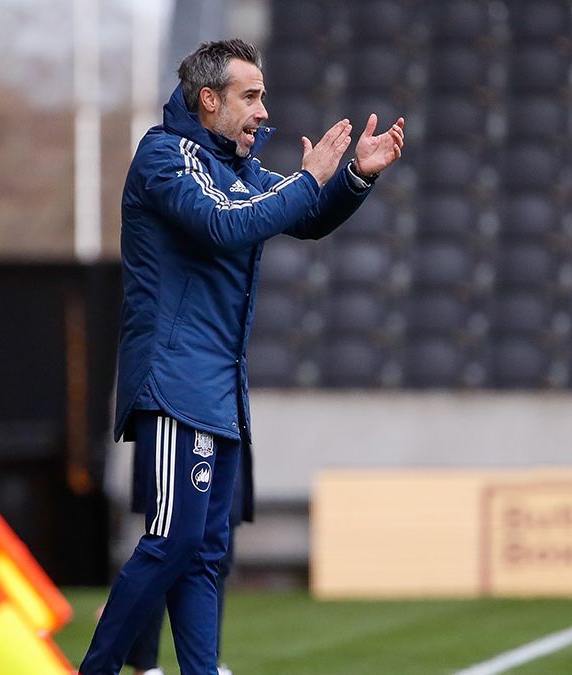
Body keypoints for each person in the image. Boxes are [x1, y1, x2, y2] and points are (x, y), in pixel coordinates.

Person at [78, 38, 405, 675]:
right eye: (249, 96)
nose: (263, 110)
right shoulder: (166, 156)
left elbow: (300, 215)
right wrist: (310, 180)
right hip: (174, 379)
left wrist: (354, 178)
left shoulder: (236, 168)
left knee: (204, 550)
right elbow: (227, 223)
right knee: (171, 544)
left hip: (218, 382)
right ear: (208, 100)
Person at [121, 442, 250, 675]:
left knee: (215, 556)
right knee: (165, 552)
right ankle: (141, 664)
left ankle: (206, 664)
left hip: (224, 427)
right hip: (181, 431)